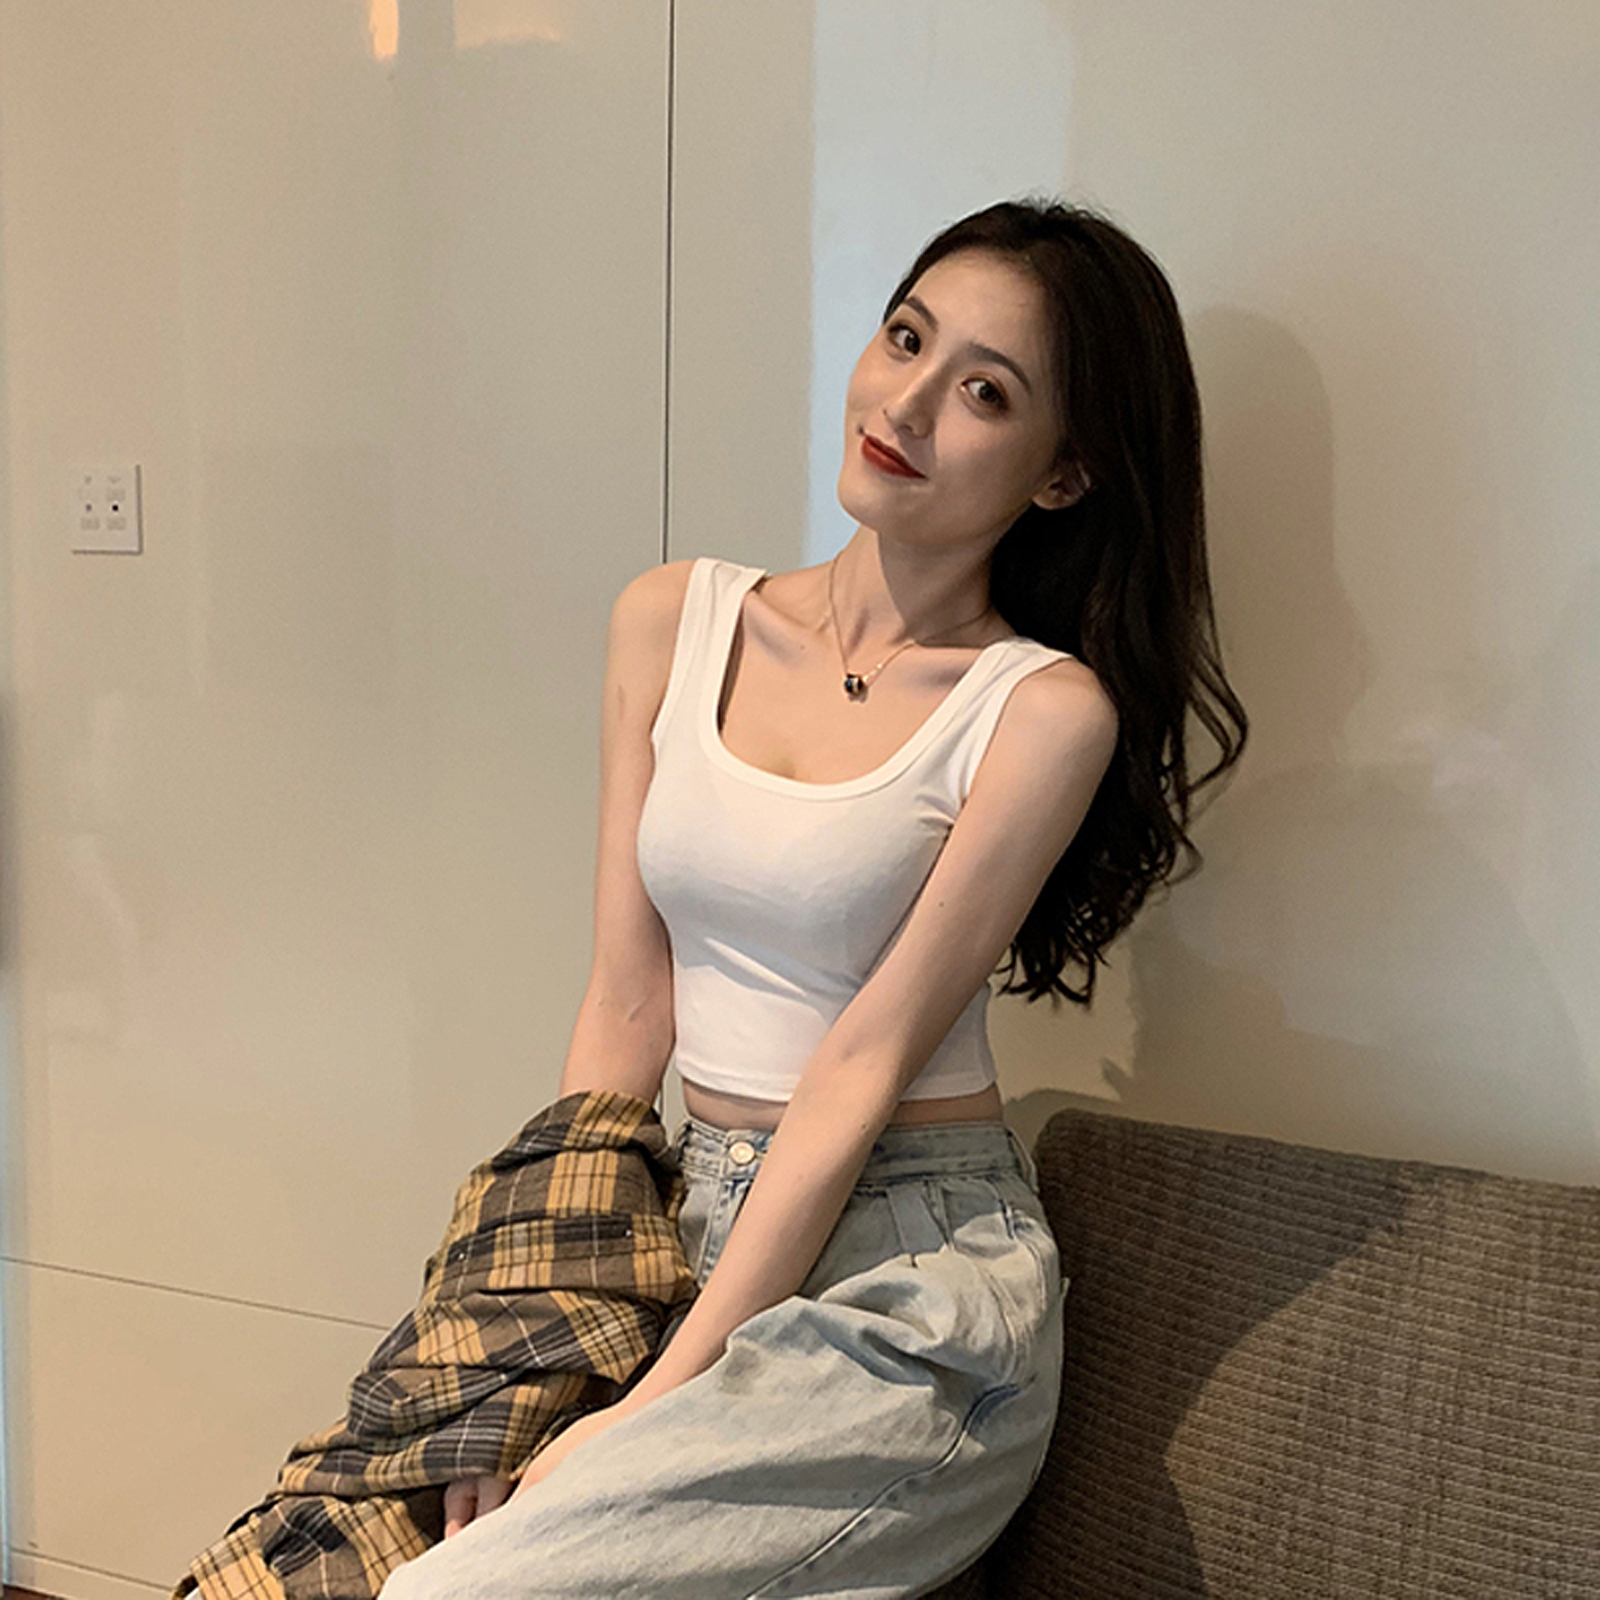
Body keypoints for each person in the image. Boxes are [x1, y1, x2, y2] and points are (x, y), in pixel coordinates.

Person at [378, 196, 1248, 1599]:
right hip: (687, 1215)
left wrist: (654, 1398)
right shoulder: (671, 619)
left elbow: (859, 1067)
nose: (906, 401)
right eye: (905, 338)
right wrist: (541, 1332)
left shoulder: (1037, 712)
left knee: (459, 1592)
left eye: (984, 391)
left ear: (1064, 475)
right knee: (381, 1533)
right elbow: (627, 1006)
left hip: (910, 1279)